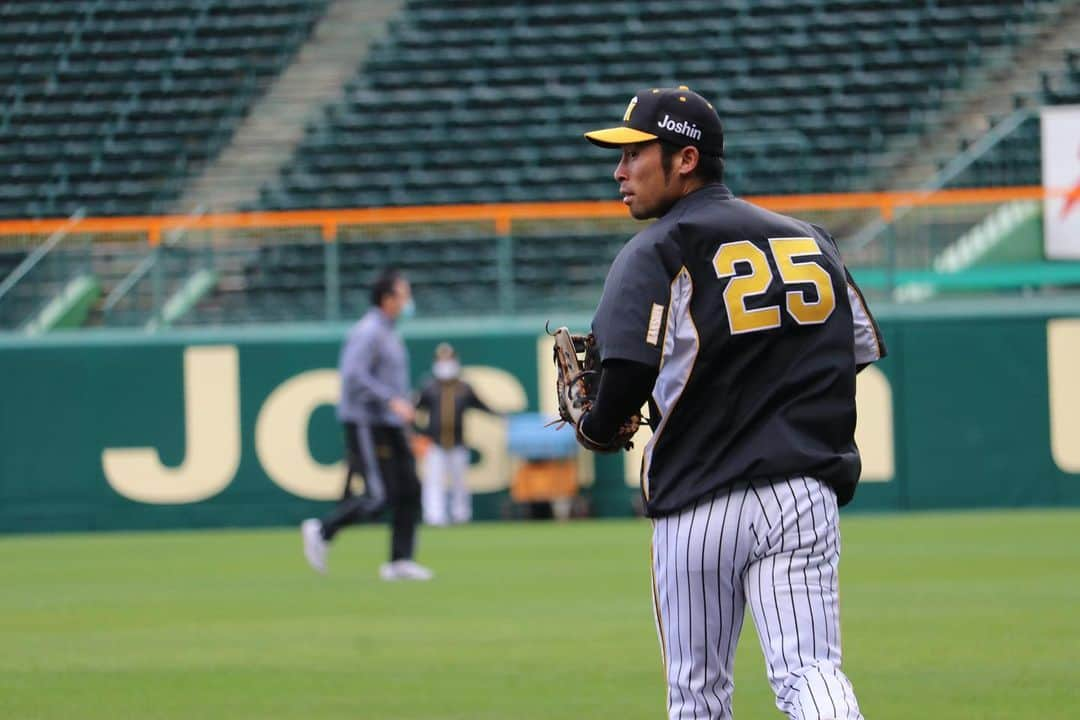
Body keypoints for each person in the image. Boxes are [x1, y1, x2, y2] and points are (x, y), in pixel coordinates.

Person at [577, 87, 886, 719]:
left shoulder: (656, 249)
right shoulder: (812, 240)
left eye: (636, 153)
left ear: (685, 159)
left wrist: (595, 424)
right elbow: (855, 347)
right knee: (810, 672)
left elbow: (624, 375)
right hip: (801, 493)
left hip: (699, 495)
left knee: (698, 695)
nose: (619, 170)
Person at [301, 268, 433, 581]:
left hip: (389, 423)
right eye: (404, 294)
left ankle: (400, 561)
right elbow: (353, 375)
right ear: (388, 299)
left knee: (410, 489)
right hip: (367, 422)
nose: (408, 300)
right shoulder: (369, 331)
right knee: (378, 495)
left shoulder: (389, 331)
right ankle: (322, 530)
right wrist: (391, 400)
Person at [414, 343, 498, 526]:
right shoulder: (429, 387)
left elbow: (481, 405)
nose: (445, 364)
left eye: (449, 359)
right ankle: (434, 517)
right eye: (442, 360)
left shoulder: (464, 388)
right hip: (435, 443)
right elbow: (415, 410)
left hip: (458, 442)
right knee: (433, 482)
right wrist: (418, 433)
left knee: (460, 482)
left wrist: (500, 415)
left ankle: (461, 515)